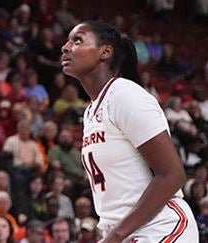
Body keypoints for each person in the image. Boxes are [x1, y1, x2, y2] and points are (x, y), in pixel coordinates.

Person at [62, 21, 198, 243]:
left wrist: (116, 235)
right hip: (127, 231)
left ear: (105, 52)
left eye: (77, 40)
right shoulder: (91, 111)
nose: (65, 47)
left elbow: (172, 175)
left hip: (160, 226)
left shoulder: (125, 95)